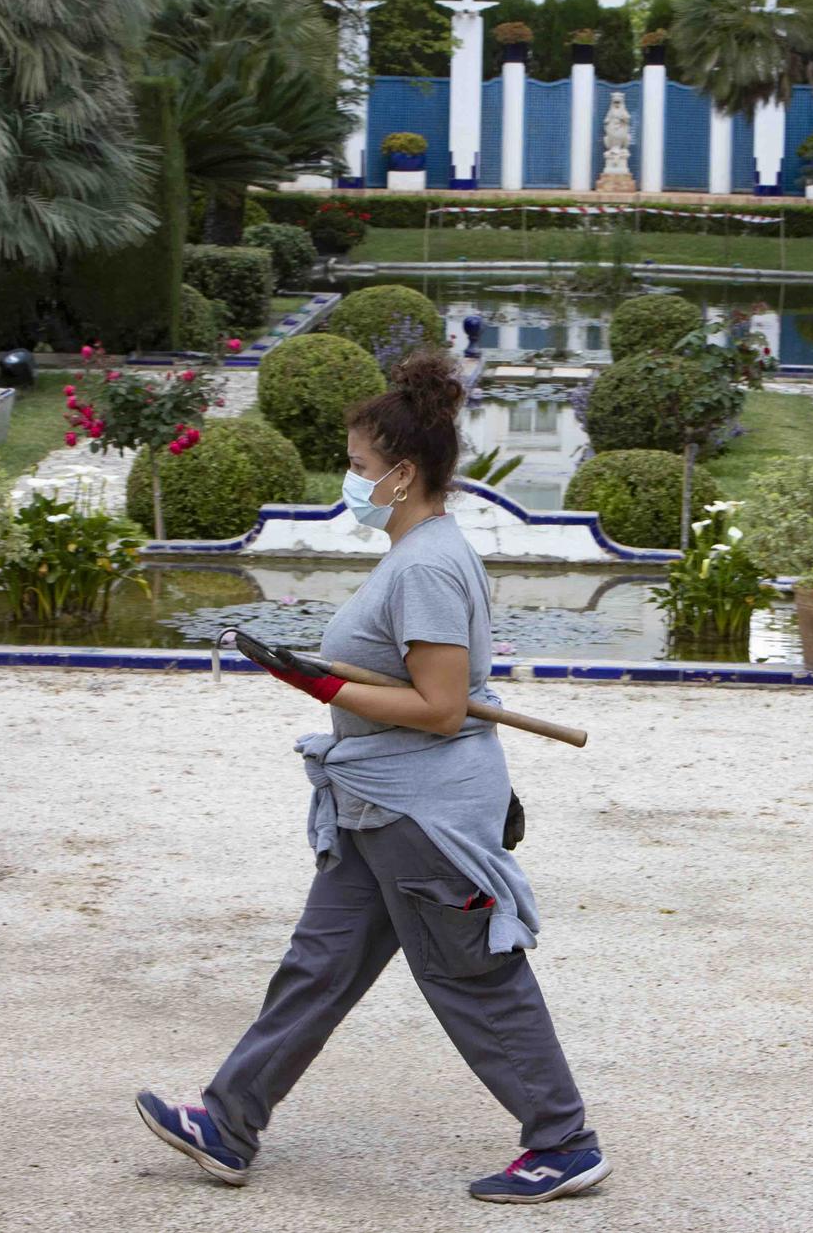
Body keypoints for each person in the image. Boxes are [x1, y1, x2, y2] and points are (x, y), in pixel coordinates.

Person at [135, 350, 609, 1205]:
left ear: (402, 472)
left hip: (423, 811)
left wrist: (316, 683)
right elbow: (403, 677)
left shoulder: (426, 562)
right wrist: (317, 669)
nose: (347, 481)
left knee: (471, 974)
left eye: (357, 468)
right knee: (318, 965)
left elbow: (437, 705)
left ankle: (564, 1141)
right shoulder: (415, 550)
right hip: (374, 801)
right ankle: (227, 1120)